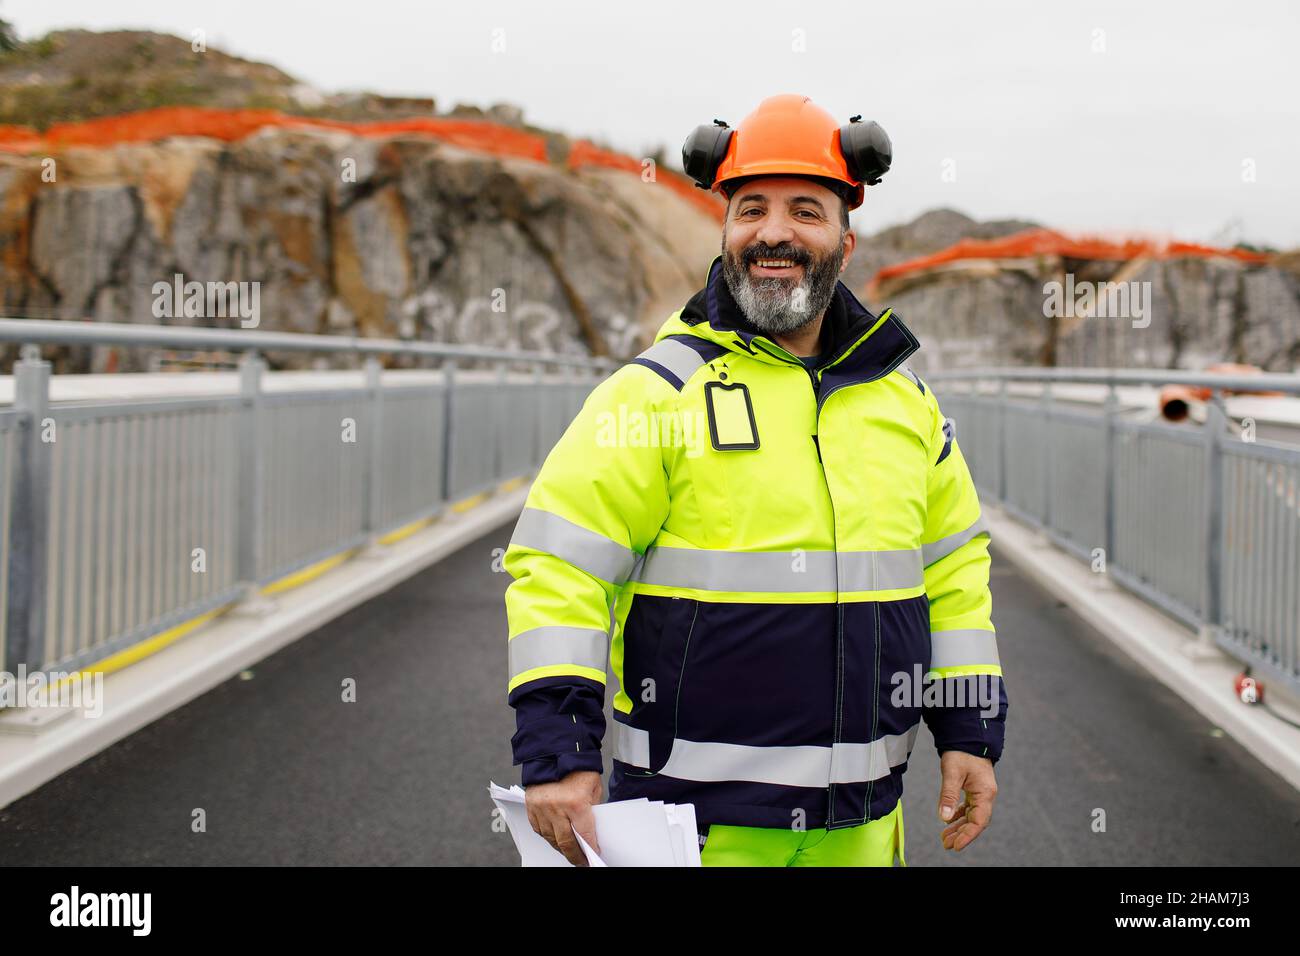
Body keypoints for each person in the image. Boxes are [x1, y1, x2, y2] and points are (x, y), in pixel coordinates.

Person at [503, 94, 1007, 866]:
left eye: (805, 210)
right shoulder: (656, 393)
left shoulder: (903, 402)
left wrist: (968, 727)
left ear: (846, 233)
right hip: (696, 833)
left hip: (866, 830)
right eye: (750, 209)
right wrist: (560, 748)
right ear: (727, 229)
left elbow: (952, 569)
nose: (774, 232)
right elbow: (560, 567)